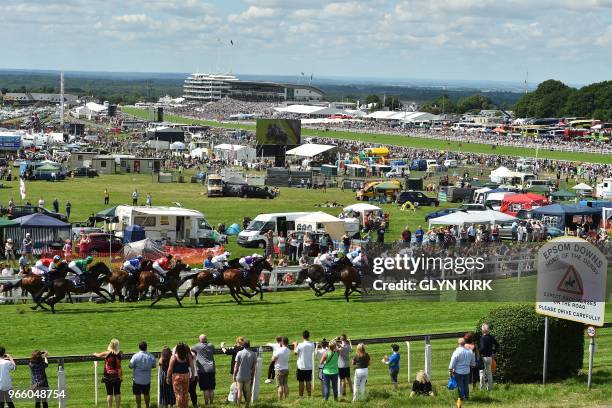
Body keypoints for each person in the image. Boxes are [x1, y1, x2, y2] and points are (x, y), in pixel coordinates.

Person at [94, 339, 123, 408]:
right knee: (117, 392)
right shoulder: (120, 353)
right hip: (117, 375)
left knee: (109, 393)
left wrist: (95, 353)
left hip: (108, 375)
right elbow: (115, 355)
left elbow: (98, 355)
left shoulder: (106, 353)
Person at [129, 341, 156, 408]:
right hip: (146, 379)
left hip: (137, 380)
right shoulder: (151, 356)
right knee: (146, 394)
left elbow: (130, 366)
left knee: (137, 394)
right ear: (146, 347)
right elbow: (154, 365)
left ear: (139, 347)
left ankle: (138, 406)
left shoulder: (135, 356)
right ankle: (147, 406)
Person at [192, 334, 216, 405]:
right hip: (211, 369)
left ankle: (206, 403)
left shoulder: (197, 346)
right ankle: (211, 403)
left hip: (202, 370)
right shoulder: (211, 345)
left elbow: (191, 349)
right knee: (211, 388)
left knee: (205, 388)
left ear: (200, 340)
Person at [167, 343, 194, 408]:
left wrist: (167, 377)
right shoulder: (188, 356)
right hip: (186, 375)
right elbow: (192, 367)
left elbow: (170, 369)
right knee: (185, 393)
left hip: (176, 376)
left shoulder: (174, 357)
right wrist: (193, 375)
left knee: (178, 394)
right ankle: (185, 406)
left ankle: (180, 406)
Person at [449, 338, 475, 402]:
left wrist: (450, 370)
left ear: (458, 344)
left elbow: (452, 362)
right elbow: (473, 363)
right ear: (464, 343)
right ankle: (467, 397)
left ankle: (462, 398)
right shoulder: (470, 351)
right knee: (466, 385)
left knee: (460, 385)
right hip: (467, 371)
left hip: (458, 371)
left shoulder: (457, 352)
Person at [233, 340, 256, 408]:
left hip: (240, 375)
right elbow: (254, 367)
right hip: (248, 375)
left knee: (239, 391)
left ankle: (238, 405)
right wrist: (252, 375)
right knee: (248, 391)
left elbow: (236, 366)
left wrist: (234, 375)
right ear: (249, 345)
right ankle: (247, 405)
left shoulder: (239, 353)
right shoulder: (253, 354)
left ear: (243, 345)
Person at [293, 330, 314, 397]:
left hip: (301, 366)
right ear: (309, 336)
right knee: (308, 381)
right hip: (309, 366)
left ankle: (301, 396)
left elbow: (295, 353)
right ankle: (309, 395)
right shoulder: (312, 344)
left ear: (302, 336)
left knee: (301, 382)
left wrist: (295, 345)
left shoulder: (300, 345)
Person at [479, 323, 499, 391]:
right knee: (489, 373)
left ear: (482, 330)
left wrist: (479, 353)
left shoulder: (482, 338)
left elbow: (482, 348)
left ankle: (482, 388)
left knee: (482, 372)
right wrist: (493, 351)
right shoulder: (491, 337)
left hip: (483, 357)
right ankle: (490, 388)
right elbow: (497, 345)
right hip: (490, 357)